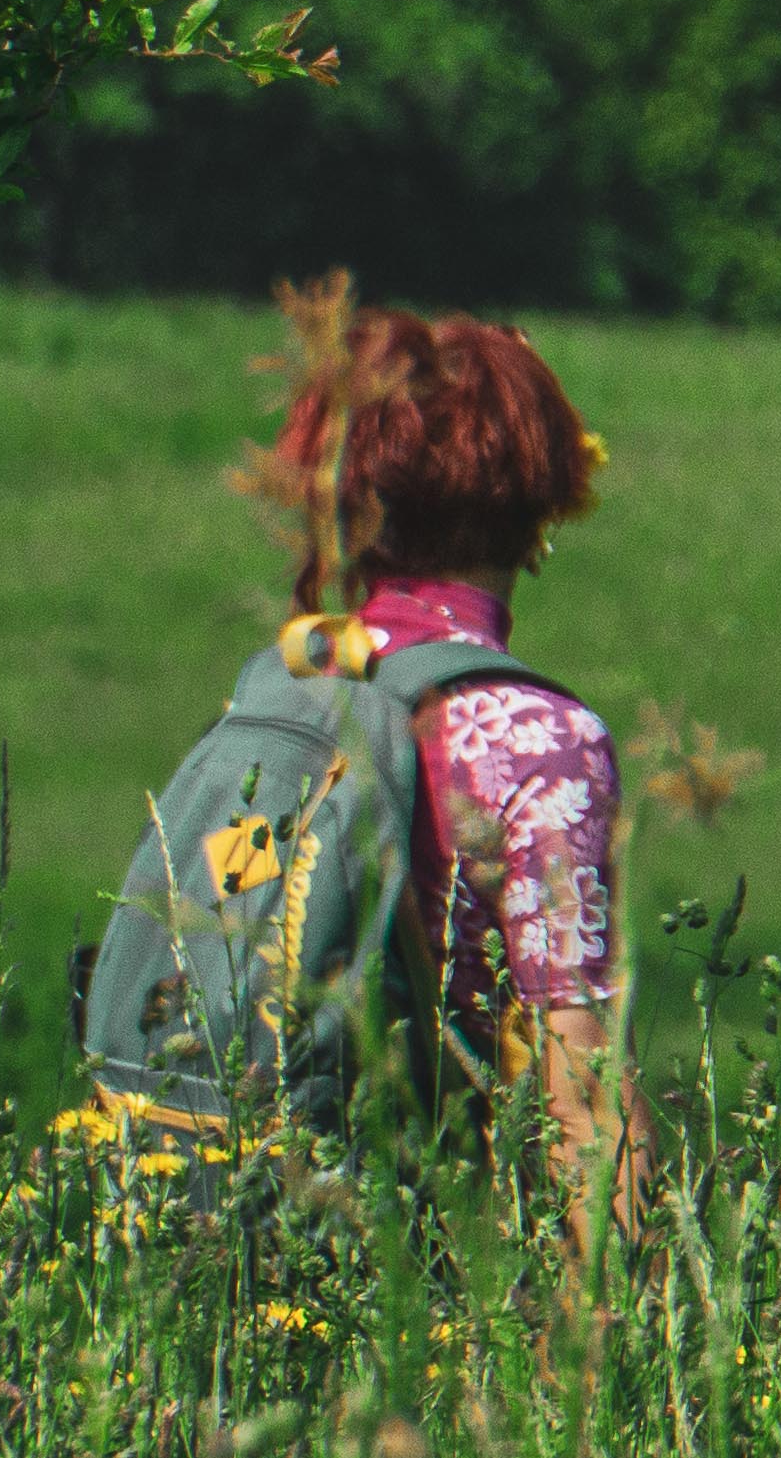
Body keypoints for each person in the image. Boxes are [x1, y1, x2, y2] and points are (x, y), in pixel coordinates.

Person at [237, 289, 654, 1200]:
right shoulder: (539, 739)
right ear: (537, 503)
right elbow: (578, 1090)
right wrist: (624, 1322)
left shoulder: (289, 683)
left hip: (244, 1221)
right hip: (427, 1233)